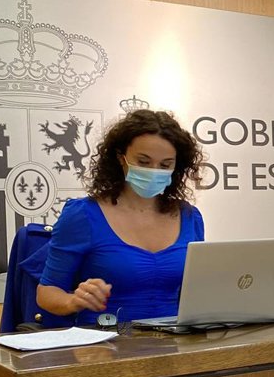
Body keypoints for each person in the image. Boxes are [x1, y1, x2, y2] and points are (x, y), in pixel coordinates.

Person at [36, 109, 205, 325]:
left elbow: (197, 291)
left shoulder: (190, 217)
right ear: (120, 158)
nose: (154, 171)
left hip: (177, 338)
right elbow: (47, 292)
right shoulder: (83, 215)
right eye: (143, 162)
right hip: (104, 339)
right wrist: (73, 301)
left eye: (165, 165)